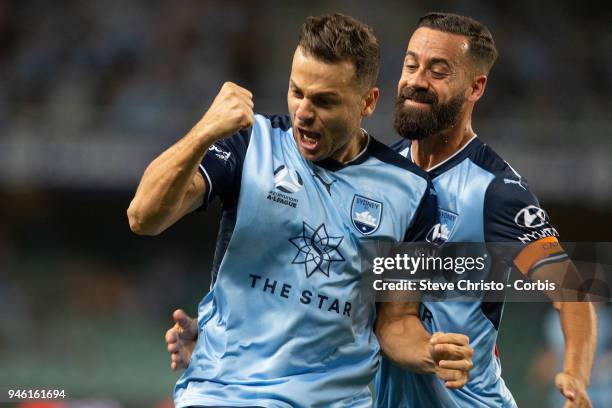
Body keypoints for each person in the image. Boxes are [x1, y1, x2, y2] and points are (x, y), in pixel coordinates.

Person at [130, 14, 472, 408]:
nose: (303, 112)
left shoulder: (412, 192)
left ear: (368, 102)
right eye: (297, 92)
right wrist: (204, 131)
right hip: (223, 394)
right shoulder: (250, 146)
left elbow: (395, 320)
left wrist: (430, 351)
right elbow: (143, 216)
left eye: (325, 100)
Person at [375, 12, 596, 408]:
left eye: (438, 71)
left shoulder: (498, 191)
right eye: (411, 65)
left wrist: (575, 376)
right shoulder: (381, 170)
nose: (416, 80)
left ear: (476, 87)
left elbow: (573, 295)